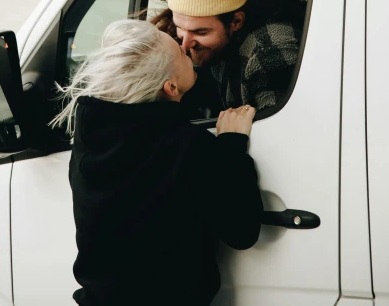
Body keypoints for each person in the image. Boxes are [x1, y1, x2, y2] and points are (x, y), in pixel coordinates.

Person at [52, 18, 263, 306]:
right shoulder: (190, 148)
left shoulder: (90, 140)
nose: (185, 48)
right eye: (178, 51)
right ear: (171, 88)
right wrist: (232, 145)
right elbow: (242, 231)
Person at [152, 0, 306, 114]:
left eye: (201, 32)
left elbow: (280, 130)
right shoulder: (188, 42)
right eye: (180, 27)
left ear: (236, 22)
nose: (185, 45)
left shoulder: (269, 53)